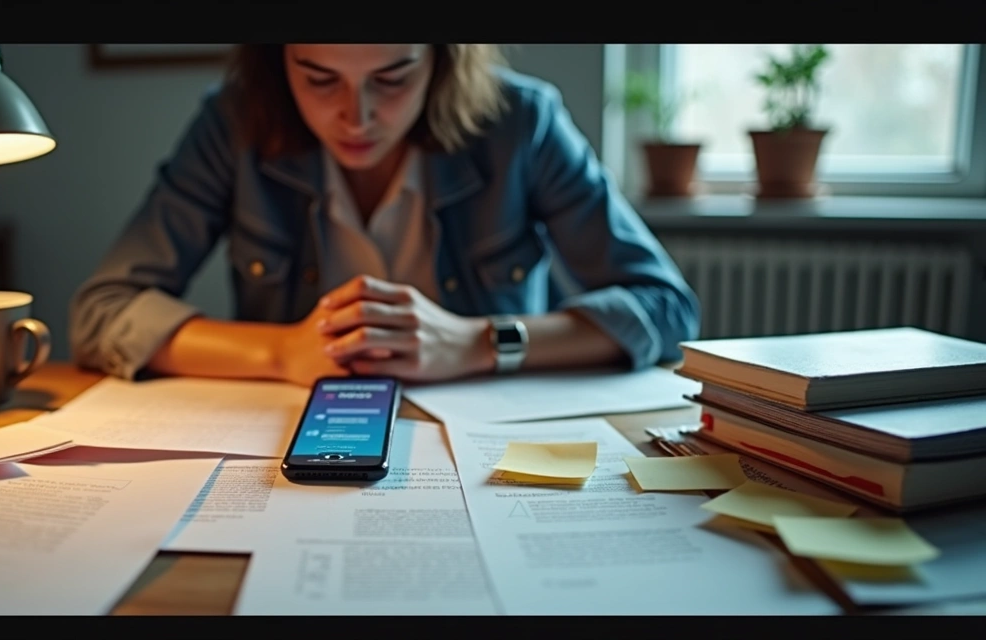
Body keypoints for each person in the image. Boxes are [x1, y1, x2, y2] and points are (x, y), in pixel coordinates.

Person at [70, 44, 700, 387]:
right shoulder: (234, 123)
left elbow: (666, 308)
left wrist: (476, 344)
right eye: (319, 79)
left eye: (393, 78)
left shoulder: (522, 122)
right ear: (277, 61)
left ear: (442, 60)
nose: (358, 116)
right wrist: (282, 353)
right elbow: (103, 311)